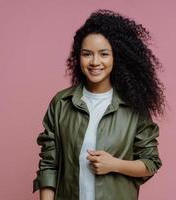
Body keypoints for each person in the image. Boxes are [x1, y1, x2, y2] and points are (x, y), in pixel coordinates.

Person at [33, 9, 166, 200]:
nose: (95, 62)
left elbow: (150, 162)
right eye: (87, 54)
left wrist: (114, 164)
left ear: (116, 57)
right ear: (78, 57)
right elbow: (48, 166)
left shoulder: (133, 108)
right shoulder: (61, 103)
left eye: (104, 54)